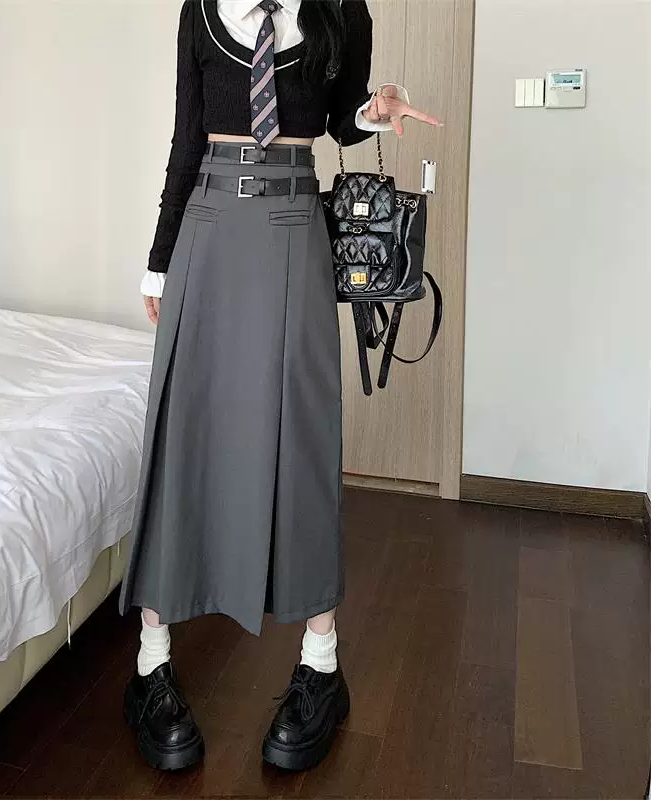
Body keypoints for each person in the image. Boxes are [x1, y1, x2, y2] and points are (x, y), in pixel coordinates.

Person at [119, 0, 440, 772]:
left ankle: (321, 665)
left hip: (297, 225)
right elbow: (185, 137)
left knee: (303, 439)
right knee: (185, 433)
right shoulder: (201, 9)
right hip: (206, 227)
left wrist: (374, 110)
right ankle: (151, 662)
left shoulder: (343, 10)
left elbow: (341, 122)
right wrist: (160, 260)